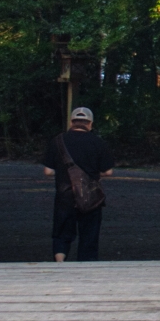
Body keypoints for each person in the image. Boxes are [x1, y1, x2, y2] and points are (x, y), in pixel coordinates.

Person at [41, 106, 114, 262]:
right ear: (90, 124)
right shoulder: (98, 142)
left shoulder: (58, 141)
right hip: (90, 196)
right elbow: (108, 172)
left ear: (71, 122)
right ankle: (85, 267)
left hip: (65, 195)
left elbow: (48, 171)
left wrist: (63, 172)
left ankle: (60, 263)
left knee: (62, 233)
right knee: (89, 235)